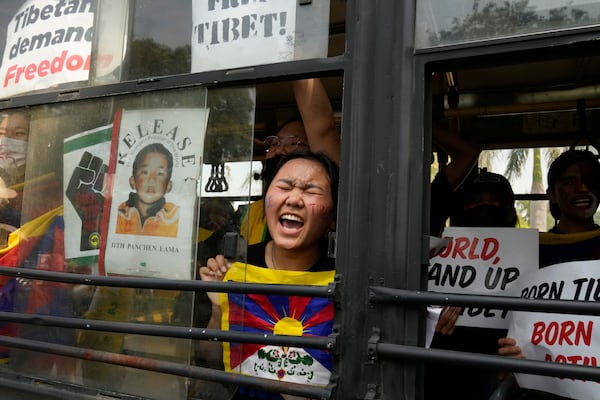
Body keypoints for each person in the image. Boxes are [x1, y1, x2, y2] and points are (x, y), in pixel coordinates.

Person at [199, 151, 339, 399]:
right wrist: (219, 308)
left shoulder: (343, 279)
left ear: (333, 216)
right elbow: (211, 361)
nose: (294, 199)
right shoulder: (238, 268)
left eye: (310, 191)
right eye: (285, 186)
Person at [498, 149, 600, 399]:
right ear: (551, 195)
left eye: (591, 180)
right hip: (539, 383)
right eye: (569, 182)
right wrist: (510, 350)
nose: (583, 188)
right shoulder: (526, 250)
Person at [426, 167, 519, 400]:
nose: (485, 208)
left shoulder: (529, 257)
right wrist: (433, 321)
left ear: (509, 212)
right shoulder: (435, 251)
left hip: (497, 367)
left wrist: (519, 352)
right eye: (475, 201)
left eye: (496, 202)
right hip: (442, 363)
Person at [240, 78, 340, 245]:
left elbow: (323, 129)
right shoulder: (251, 212)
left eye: (293, 143)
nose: (279, 150)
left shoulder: (323, 206)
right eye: (274, 143)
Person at [116, 142, 180, 237]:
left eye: (160, 173)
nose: (151, 180)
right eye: (145, 172)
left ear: (168, 186)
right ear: (133, 181)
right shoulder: (120, 213)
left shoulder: (175, 216)